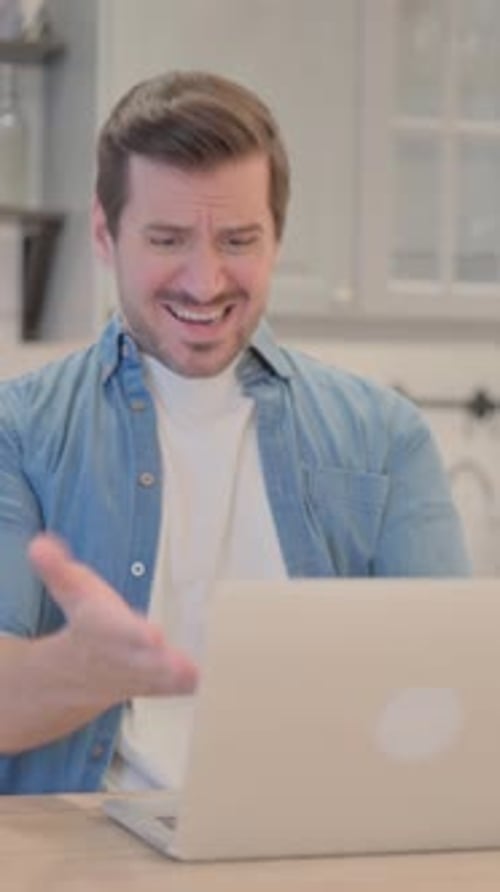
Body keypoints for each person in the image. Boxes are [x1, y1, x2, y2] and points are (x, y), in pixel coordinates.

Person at [0, 70, 470, 795]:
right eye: (167, 239)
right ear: (104, 234)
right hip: (90, 842)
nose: (205, 280)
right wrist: (80, 671)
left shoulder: (386, 438)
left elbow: (455, 696)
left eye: (239, 240)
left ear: (277, 238)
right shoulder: (18, 433)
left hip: (320, 837)